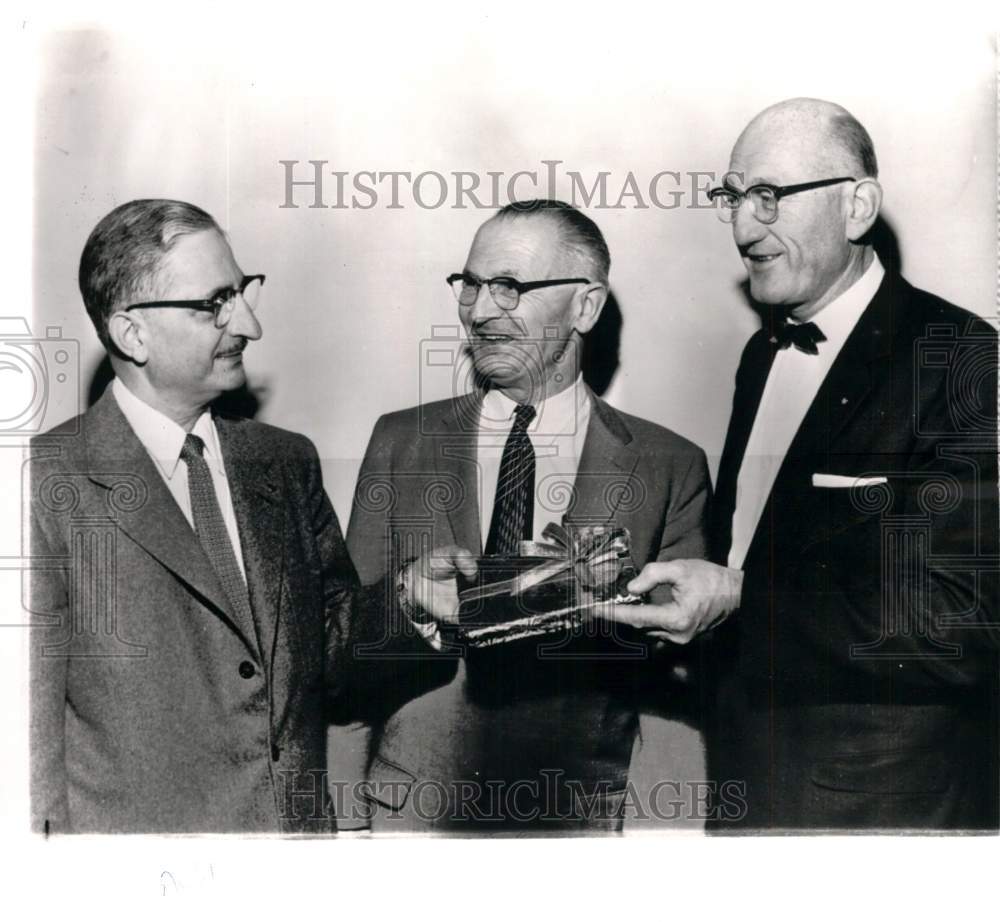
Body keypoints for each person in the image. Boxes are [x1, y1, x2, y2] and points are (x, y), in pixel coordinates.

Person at [606, 98, 999, 830]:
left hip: (883, 817)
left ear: (857, 207)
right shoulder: (763, 354)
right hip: (747, 789)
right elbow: (759, 554)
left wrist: (737, 598)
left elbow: (960, 622)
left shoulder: (965, 359)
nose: (743, 227)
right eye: (732, 197)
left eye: (769, 197)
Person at [28, 199, 465, 834]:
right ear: (131, 333)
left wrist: (411, 601)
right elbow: (24, 754)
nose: (250, 325)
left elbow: (327, 646)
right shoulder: (40, 483)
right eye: (215, 303)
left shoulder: (284, 462)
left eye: (243, 291)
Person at [342, 199, 710, 830]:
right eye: (471, 285)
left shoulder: (667, 464)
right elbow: (344, 644)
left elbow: (675, 684)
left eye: (510, 287)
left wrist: (659, 840)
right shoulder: (399, 443)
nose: (480, 311)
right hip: (412, 822)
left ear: (585, 306)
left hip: (578, 829)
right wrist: (342, 823)